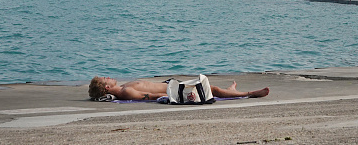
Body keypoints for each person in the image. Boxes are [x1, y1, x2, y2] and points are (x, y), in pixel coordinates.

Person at [88, 76, 269, 101]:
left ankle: (232, 90)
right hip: (173, 90)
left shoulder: (123, 87)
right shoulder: (125, 91)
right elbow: (149, 96)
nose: (109, 77)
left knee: (210, 87)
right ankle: (250, 93)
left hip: (172, 85)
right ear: (106, 86)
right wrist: (173, 95)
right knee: (211, 89)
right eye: (106, 78)